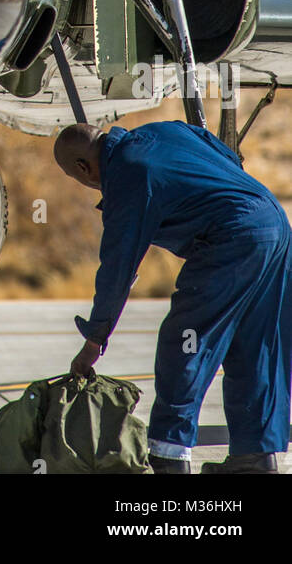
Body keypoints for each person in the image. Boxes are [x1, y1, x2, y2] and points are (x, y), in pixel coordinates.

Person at [54, 120, 292, 474]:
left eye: (80, 180)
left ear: (81, 167)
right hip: (273, 222)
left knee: (184, 341)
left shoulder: (128, 174)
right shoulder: (168, 130)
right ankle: (255, 456)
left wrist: (95, 339)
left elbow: (117, 268)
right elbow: (226, 156)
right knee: (253, 344)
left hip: (232, 237)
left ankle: (169, 452)